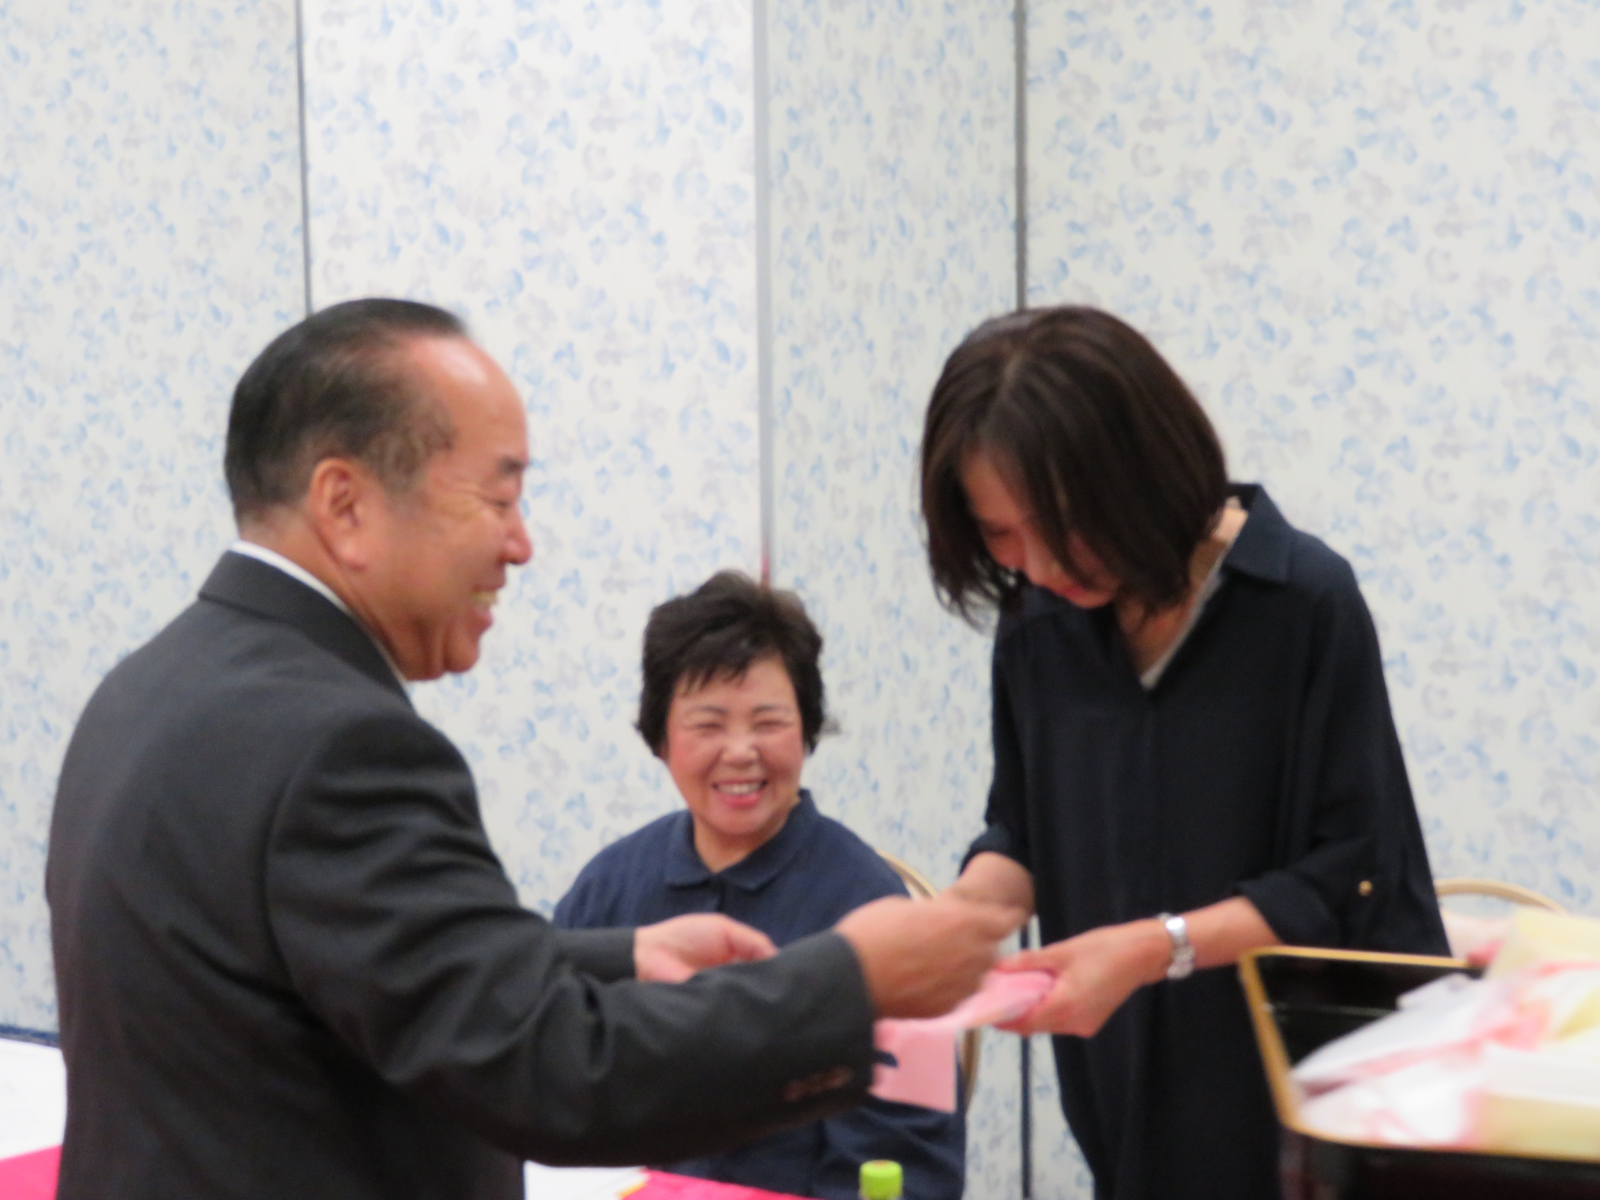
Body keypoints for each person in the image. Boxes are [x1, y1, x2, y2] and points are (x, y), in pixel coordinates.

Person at [45, 298, 1021, 1200]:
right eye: (497, 496)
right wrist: (850, 984)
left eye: (766, 721)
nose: (522, 544)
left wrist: (619, 961)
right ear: (343, 504)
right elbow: (542, 1064)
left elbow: (378, 973)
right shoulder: (346, 746)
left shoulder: (149, 687)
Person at [919, 306, 1449, 1200]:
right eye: (1001, 534)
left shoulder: (1303, 603)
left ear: (1143, 471)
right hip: (1128, 1085)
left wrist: (1150, 949)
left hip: (1314, 1096)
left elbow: (1351, 873)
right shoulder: (1037, 625)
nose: (1039, 564)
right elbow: (1026, 827)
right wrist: (958, 919)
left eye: (1059, 522)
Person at [555, 571, 966, 1200]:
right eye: (708, 724)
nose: (741, 752)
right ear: (661, 738)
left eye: (768, 721)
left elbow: (907, 1166)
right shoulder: (609, 889)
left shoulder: (879, 914)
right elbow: (549, 1093)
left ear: (806, 730)